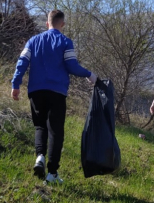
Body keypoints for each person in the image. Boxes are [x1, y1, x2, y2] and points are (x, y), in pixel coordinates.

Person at [11, 10, 97, 185]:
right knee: (56, 131)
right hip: (57, 92)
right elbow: (72, 66)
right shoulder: (65, 42)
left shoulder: (33, 41)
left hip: (36, 91)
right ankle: (52, 174)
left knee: (40, 126)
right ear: (62, 24)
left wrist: (16, 84)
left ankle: (40, 157)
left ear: (47, 23)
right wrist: (89, 74)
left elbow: (22, 62)